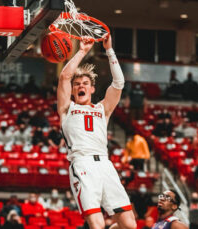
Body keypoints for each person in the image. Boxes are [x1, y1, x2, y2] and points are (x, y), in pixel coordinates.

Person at [57, 35, 136, 229]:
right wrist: (83, 51)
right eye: (77, 85)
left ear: (92, 89)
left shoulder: (103, 109)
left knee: (129, 225)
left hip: (105, 165)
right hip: (82, 164)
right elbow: (64, 77)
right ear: (73, 91)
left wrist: (109, 50)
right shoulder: (67, 108)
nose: (80, 86)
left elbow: (118, 83)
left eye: (85, 84)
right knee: (97, 224)